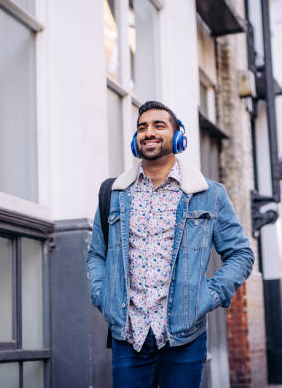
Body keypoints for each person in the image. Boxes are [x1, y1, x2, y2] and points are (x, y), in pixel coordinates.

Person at [87, 100, 254, 387]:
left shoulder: (207, 194)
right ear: (135, 139)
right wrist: (103, 296)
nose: (148, 132)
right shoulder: (114, 193)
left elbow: (241, 254)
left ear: (178, 137)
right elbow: (96, 255)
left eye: (158, 126)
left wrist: (208, 295)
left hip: (184, 337)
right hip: (129, 337)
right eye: (142, 127)